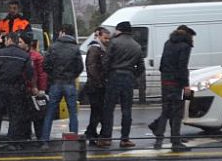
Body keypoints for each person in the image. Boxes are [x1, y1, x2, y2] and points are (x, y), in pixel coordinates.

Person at [148, 25, 196, 152]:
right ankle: (176, 142)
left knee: (166, 110)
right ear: (187, 35)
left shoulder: (167, 43)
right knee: (177, 113)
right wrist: (186, 85)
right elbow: (182, 67)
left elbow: (162, 65)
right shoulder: (185, 46)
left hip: (165, 82)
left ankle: (159, 138)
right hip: (178, 83)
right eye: (192, 36)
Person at [97, 21, 144, 149]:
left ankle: (106, 138)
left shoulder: (114, 42)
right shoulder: (137, 46)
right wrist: (132, 75)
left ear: (120, 30)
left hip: (114, 76)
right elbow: (141, 67)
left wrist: (107, 75)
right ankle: (125, 139)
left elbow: (106, 61)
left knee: (109, 109)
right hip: (128, 78)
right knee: (127, 109)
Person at [0, 32, 33, 150]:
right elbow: (29, 74)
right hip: (16, 89)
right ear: (17, 41)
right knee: (15, 115)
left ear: (8, 40)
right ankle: (12, 141)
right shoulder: (24, 55)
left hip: (1, 88)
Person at [41, 24, 83, 148]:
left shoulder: (53, 47)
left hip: (56, 83)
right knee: (73, 113)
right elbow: (80, 67)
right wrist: (72, 75)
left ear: (62, 33)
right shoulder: (75, 48)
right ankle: (73, 140)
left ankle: (45, 141)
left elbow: (45, 65)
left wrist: (53, 75)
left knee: (50, 112)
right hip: (69, 82)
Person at [83, 27, 111, 146]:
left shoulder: (99, 48)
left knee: (97, 111)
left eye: (108, 38)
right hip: (95, 86)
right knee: (97, 111)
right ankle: (90, 133)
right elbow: (92, 68)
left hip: (96, 85)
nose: (107, 40)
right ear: (98, 36)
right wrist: (100, 82)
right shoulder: (95, 48)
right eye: (105, 38)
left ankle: (91, 133)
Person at [28, 38, 48, 140]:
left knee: (27, 113)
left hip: (29, 88)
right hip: (35, 89)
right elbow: (42, 74)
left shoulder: (33, 56)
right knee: (38, 114)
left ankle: (27, 134)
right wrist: (42, 88)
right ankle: (40, 136)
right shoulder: (38, 56)